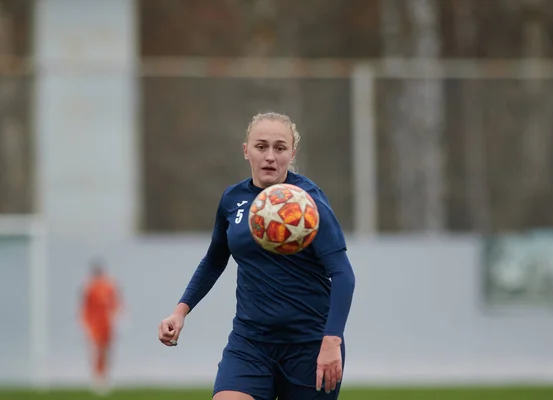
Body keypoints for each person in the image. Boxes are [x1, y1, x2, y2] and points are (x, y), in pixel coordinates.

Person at [158, 112, 356, 400]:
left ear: (292, 153)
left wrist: (331, 340)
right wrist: (180, 310)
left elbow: (342, 273)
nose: (270, 157)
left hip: (309, 345)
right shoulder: (232, 200)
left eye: (280, 148)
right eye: (261, 147)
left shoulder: (309, 203)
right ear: (246, 150)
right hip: (250, 343)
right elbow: (215, 259)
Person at [80, 258, 122, 395]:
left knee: (107, 351)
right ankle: (97, 378)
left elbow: (116, 304)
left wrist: (116, 319)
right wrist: (86, 324)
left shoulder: (109, 286)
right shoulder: (89, 287)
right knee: (95, 350)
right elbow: (85, 308)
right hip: (94, 324)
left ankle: (105, 376)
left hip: (107, 323)